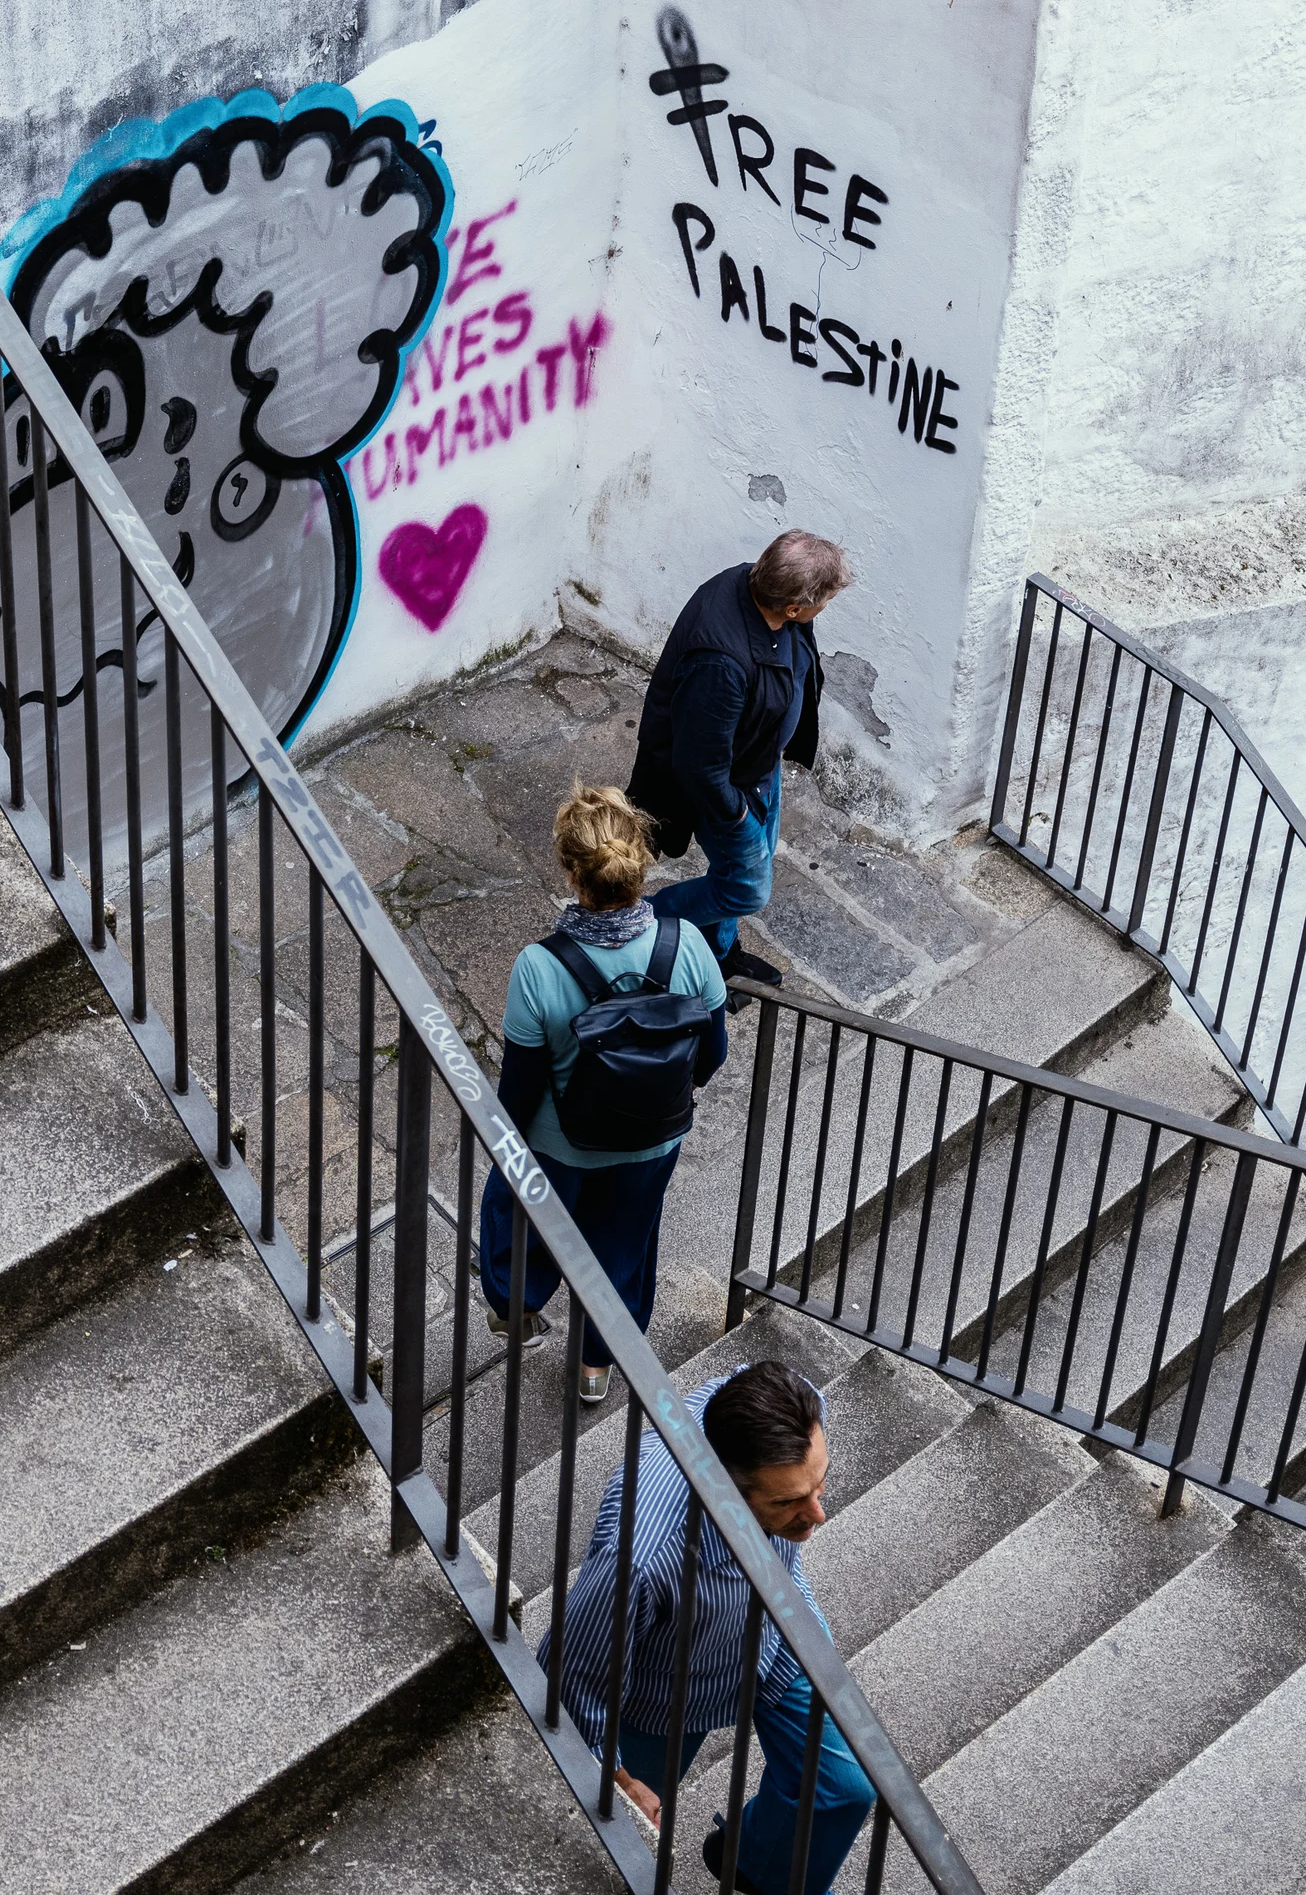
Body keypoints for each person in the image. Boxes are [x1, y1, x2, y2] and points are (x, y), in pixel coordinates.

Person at [555, 1357, 877, 1892]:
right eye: (790, 1501)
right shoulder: (641, 1556)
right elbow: (573, 1678)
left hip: (774, 1638)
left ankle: (754, 1863)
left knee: (845, 1787)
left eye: (818, 1485)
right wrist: (616, 1777)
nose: (819, 1515)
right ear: (727, 1487)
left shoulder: (780, 1407)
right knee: (610, 1842)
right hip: (665, 1702)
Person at [478, 783, 732, 1409]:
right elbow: (715, 1052)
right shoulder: (689, 944)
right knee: (624, 1247)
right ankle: (596, 1368)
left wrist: (504, 1142)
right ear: (643, 864)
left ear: (570, 872)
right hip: (653, 1141)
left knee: (520, 1217)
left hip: (561, 1146)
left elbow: (520, 1086)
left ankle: (516, 1307)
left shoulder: (539, 968)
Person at [630, 531, 846, 989]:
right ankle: (646, 923)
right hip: (730, 789)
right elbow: (699, 765)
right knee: (746, 887)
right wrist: (739, 813)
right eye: (822, 602)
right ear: (793, 608)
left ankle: (719, 954)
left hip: (758, 765)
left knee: (733, 875)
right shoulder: (720, 661)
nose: (823, 609)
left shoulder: (764, 589)